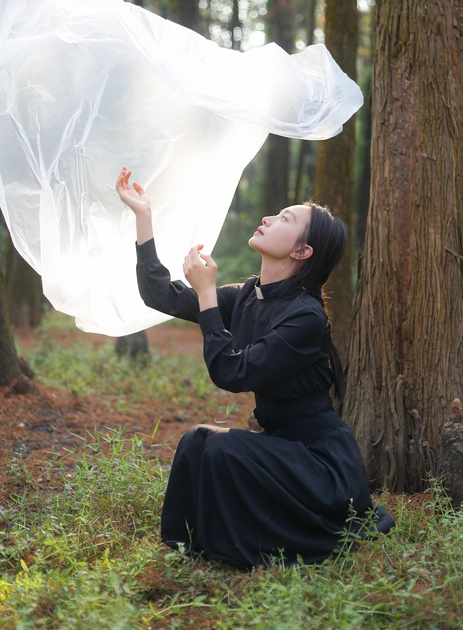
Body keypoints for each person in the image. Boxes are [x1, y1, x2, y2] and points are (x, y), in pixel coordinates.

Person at [116, 166, 394, 568]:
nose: (268, 218)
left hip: (319, 466)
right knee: (196, 440)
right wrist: (143, 217)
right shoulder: (250, 295)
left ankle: (238, 549)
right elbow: (159, 294)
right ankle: (188, 545)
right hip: (281, 449)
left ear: (302, 251)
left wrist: (207, 295)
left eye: (285, 219)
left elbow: (231, 374)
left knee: (223, 448)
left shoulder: (306, 318)